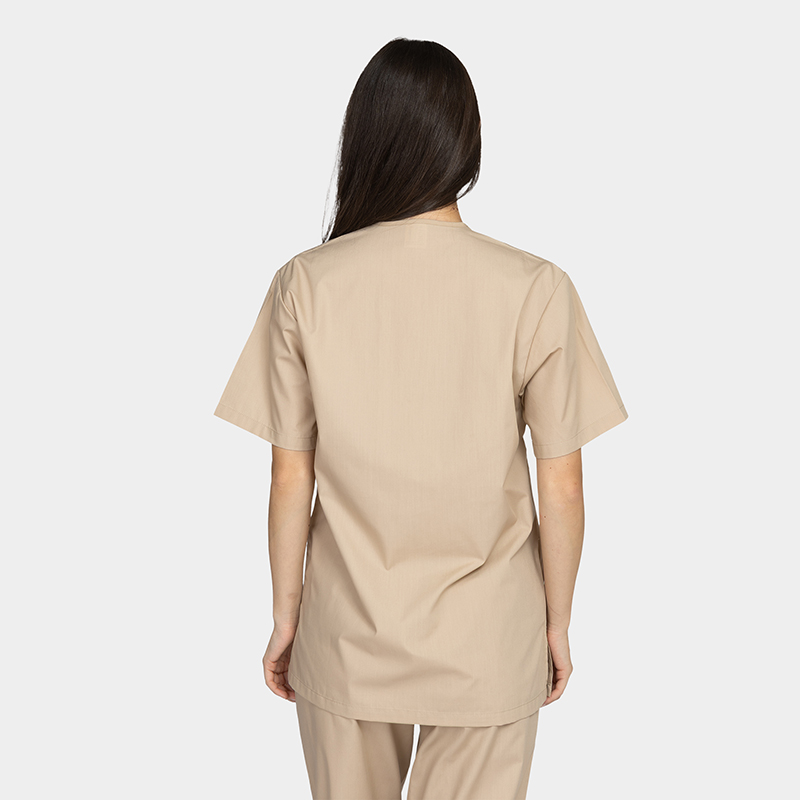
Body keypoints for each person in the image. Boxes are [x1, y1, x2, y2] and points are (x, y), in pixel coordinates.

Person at [213, 37, 628, 800]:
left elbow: (289, 475)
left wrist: (286, 619)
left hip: (347, 636)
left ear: (365, 138)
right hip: (489, 639)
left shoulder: (305, 283)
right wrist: (557, 624)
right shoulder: (537, 288)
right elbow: (563, 485)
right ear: (467, 142)